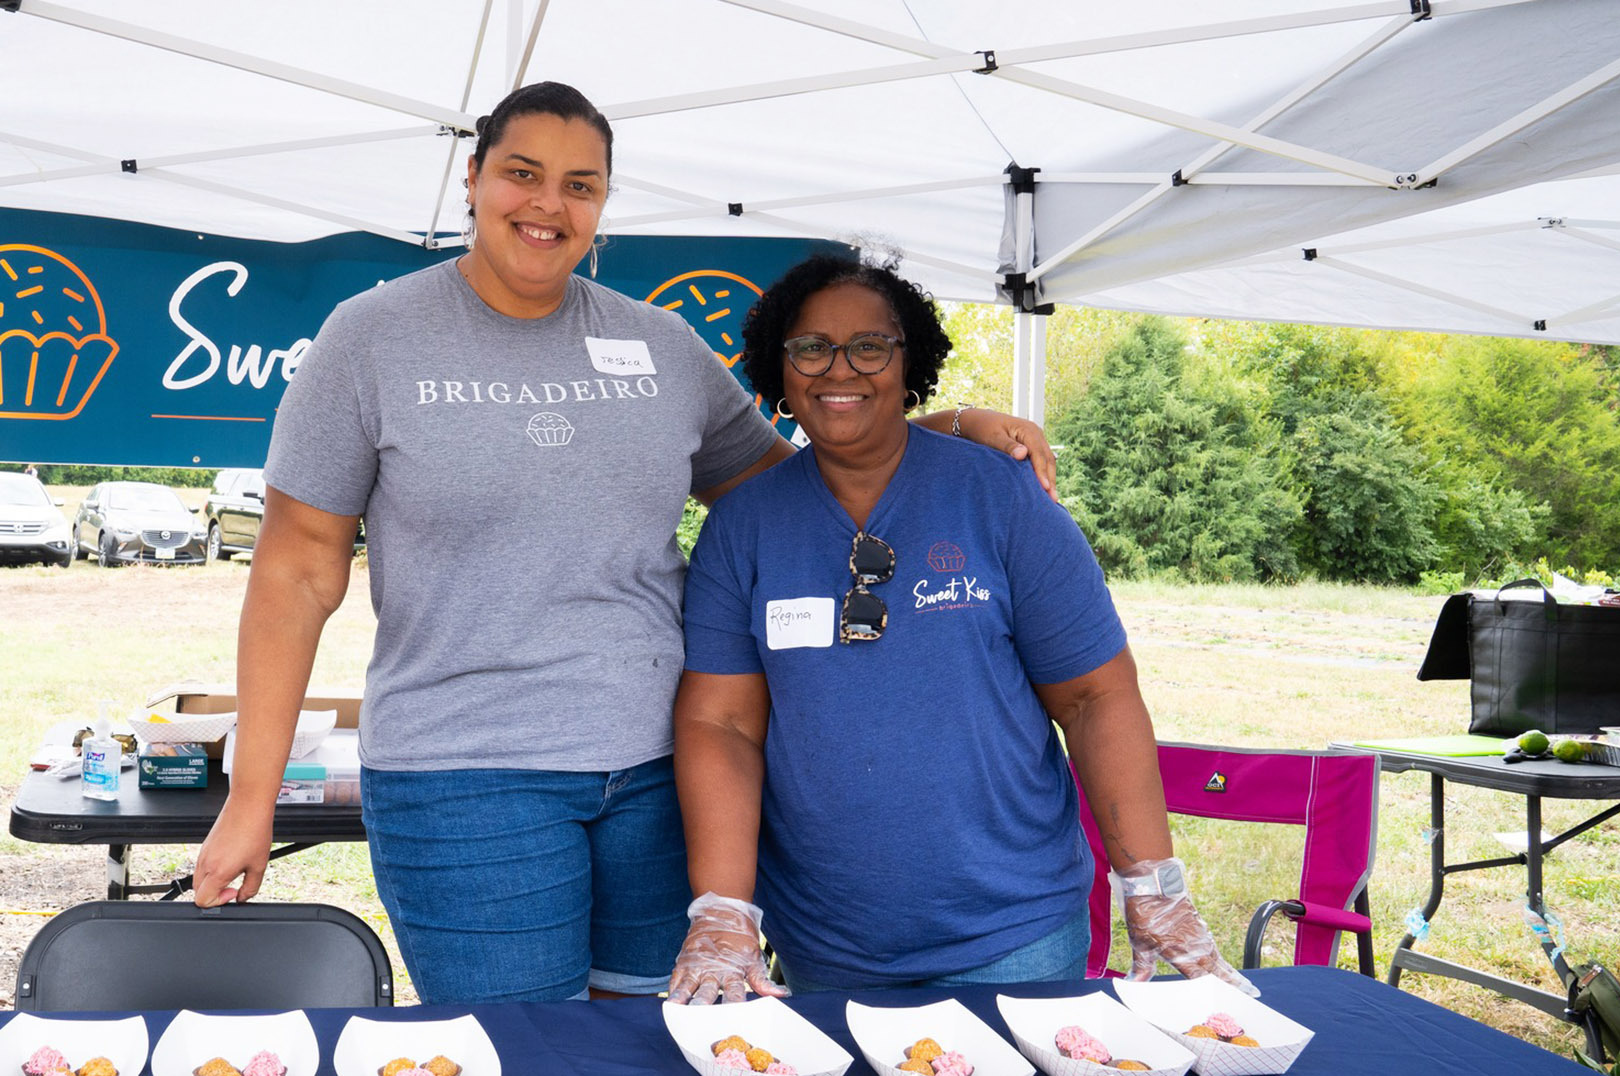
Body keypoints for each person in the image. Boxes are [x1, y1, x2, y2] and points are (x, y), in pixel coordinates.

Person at [191, 82, 1060, 1005]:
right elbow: (295, 573)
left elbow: (796, 485)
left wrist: (946, 424)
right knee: (521, 1051)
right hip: (464, 779)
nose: (547, 205)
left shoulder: (659, 347)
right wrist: (252, 799)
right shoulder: (370, 340)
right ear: (473, 179)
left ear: (603, 203)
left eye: (581, 185)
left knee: (661, 1042)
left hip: (660, 772)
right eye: (522, 175)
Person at [666, 255, 1254, 1002]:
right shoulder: (743, 528)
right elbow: (722, 726)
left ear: (909, 359)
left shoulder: (1001, 498)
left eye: (870, 346)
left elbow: (1094, 698)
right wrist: (722, 911)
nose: (838, 368)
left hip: (1012, 937)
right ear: (778, 370)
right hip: (824, 940)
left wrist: (1151, 881)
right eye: (811, 347)